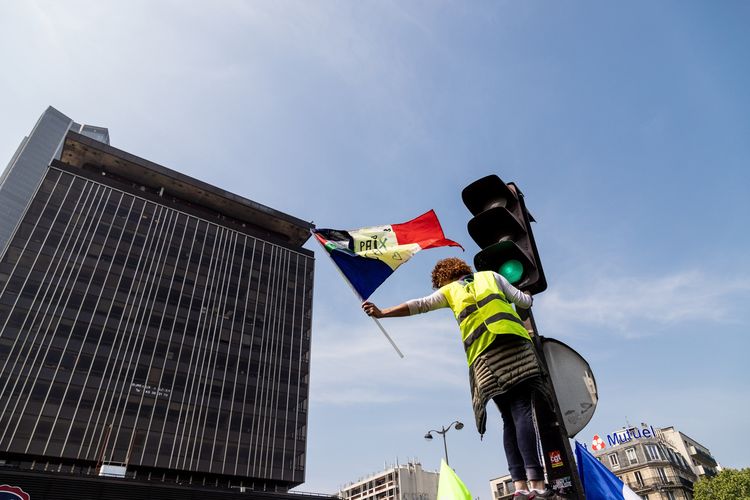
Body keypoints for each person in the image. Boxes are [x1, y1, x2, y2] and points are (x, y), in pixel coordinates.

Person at [362, 257, 557, 499]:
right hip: (515, 346)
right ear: (463, 269)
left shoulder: (449, 291)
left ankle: (519, 487)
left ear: (442, 279)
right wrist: (524, 293)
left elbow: (419, 304)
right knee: (523, 413)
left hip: (484, 359)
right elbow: (525, 301)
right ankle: (536, 484)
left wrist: (382, 313)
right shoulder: (491, 276)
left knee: (508, 419)